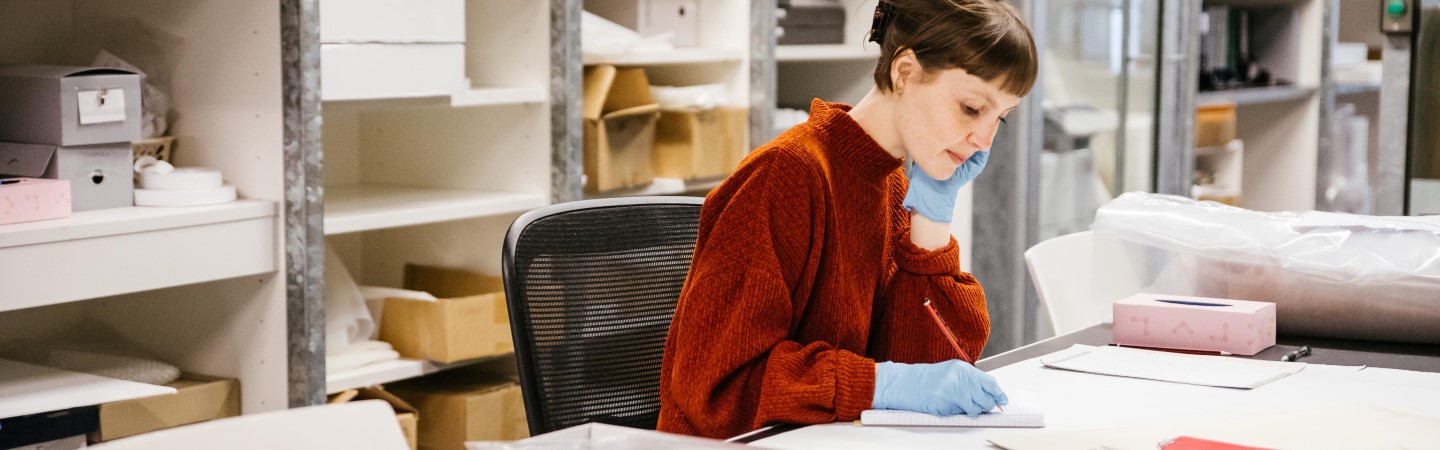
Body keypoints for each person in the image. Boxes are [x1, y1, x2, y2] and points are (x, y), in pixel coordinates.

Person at [656, 0, 1039, 439]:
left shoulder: (895, 184)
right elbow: (718, 389)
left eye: (1000, 121)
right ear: (905, 72)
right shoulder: (785, 175)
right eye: (972, 109)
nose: (984, 140)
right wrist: (880, 383)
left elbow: (934, 372)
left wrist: (931, 223)